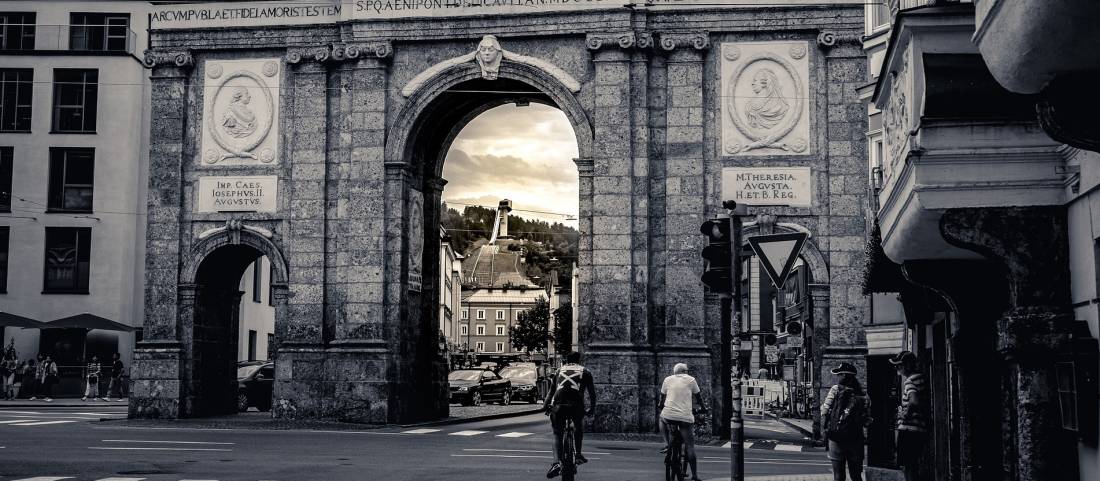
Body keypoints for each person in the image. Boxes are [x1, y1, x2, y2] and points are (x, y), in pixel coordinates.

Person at [543, 351, 596, 479]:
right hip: (576, 406)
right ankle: (578, 454)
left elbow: (551, 392)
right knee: (578, 426)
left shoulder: (559, 371)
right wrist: (591, 409)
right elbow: (592, 394)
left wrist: (545, 406)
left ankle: (556, 463)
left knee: (557, 432)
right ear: (579, 360)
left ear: (566, 360)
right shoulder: (586, 372)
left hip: (559, 405)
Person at [821, 362, 870, 481]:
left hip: (836, 437)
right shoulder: (863, 395)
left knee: (838, 475)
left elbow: (824, 410)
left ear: (843, 375)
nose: (837, 377)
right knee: (856, 476)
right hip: (855, 438)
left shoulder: (836, 389)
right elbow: (867, 420)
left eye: (839, 374)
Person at [658, 363, 707, 481]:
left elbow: (662, 398)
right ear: (684, 371)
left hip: (669, 415)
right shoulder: (691, 380)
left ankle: (666, 442)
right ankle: (694, 475)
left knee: (662, 419)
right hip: (685, 417)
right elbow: (698, 397)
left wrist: (660, 405)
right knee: (690, 446)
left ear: (675, 372)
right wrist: (703, 408)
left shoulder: (667, 379)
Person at [891, 351, 928, 481]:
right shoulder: (920, 377)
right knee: (914, 464)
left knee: (908, 466)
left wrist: (905, 414)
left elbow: (914, 401)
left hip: (909, 429)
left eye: (899, 366)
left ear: (907, 365)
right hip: (920, 428)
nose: (897, 368)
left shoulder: (909, 381)